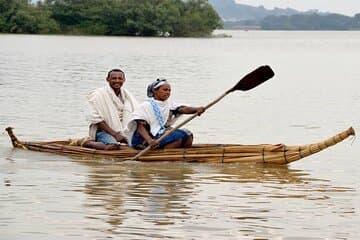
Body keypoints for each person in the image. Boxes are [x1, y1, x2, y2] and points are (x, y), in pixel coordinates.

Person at [128, 78, 205, 149]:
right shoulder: (145, 106)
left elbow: (183, 109)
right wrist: (150, 141)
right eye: (165, 90)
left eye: (169, 90)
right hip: (145, 139)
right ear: (155, 91)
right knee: (177, 137)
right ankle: (164, 157)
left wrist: (196, 109)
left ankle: (181, 156)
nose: (168, 93)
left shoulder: (169, 104)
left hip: (161, 134)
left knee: (188, 135)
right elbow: (140, 127)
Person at [83, 69, 138, 150]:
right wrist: (115, 135)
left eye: (120, 78)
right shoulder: (98, 94)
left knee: (137, 145)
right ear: (107, 79)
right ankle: (87, 143)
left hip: (123, 132)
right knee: (113, 147)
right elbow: (95, 118)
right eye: (114, 78)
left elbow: (137, 113)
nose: (117, 81)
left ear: (124, 80)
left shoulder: (127, 96)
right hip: (103, 132)